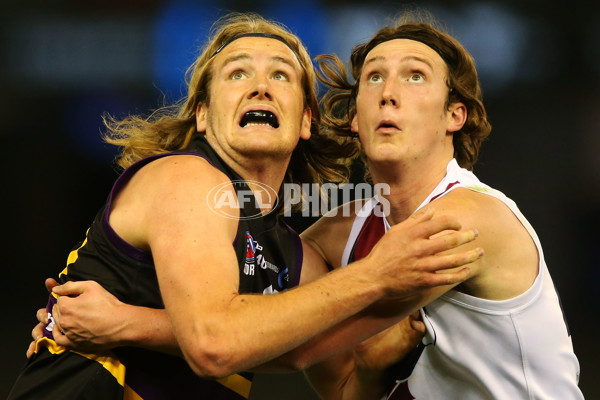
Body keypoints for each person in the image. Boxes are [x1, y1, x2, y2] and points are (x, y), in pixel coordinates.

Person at [9, 12, 482, 400]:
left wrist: (377, 366)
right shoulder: (183, 178)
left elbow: (330, 378)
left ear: (304, 120)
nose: (260, 87)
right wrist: (377, 275)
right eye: (238, 72)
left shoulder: (298, 259)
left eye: (280, 74)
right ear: (202, 114)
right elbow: (214, 346)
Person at [301, 14, 584, 399]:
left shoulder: (473, 218)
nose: (388, 92)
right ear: (354, 118)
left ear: (454, 115)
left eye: (415, 76)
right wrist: (368, 378)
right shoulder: (342, 230)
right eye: (374, 77)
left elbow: (274, 342)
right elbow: (345, 389)